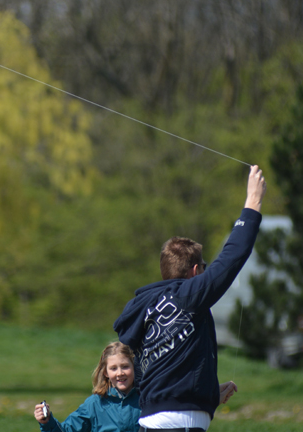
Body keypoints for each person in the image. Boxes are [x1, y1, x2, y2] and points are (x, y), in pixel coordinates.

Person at [113, 165, 267, 431]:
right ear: (196, 272)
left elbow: (160, 376)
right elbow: (231, 257)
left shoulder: (144, 307)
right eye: (204, 269)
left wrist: (205, 393)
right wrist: (252, 202)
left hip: (152, 423)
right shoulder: (187, 296)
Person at [34, 341, 141, 432]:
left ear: (135, 367)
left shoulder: (147, 398)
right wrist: (47, 422)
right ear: (105, 373)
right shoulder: (95, 404)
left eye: (125, 367)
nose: (120, 373)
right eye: (113, 368)